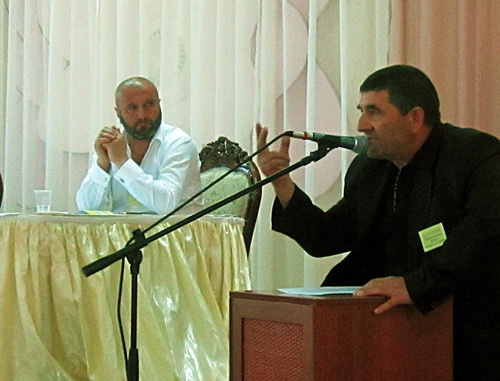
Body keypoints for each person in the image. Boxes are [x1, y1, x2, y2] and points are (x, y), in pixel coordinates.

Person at [256, 65, 500, 380]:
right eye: (361, 111)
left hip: (466, 330)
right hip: (382, 329)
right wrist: (283, 184)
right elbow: (327, 238)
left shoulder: (475, 155)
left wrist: (417, 285)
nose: (361, 125)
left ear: (415, 118)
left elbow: (485, 233)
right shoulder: (369, 168)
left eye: (374, 112)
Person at [77, 77, 202, 215]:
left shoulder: (179, 143)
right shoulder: (113, 144)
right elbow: (86, 208)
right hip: (122, 232)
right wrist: (102, 164)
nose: (142, 115)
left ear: (159, 104)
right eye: (132, 108)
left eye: (149, 104)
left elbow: (165, 204)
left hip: (173, 233)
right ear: (118, 113)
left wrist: (122, 162)